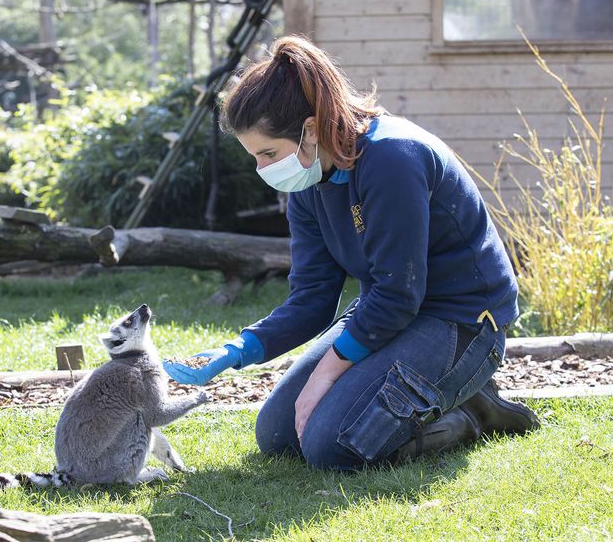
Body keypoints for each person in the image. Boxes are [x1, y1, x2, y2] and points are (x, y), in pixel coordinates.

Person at [163, 35, 539, 470]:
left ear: (309, 129)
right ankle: (436, 399)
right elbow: (312, 298)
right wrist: (239, 349)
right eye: (255, 157)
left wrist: (324, 376)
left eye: (268, 153)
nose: (263, 170)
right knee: (279, 436)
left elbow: (399, 293)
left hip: (462, 321)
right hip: (391, 311)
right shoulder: (308, 178)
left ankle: (472, 411)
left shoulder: (393, 157)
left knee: (332, 447)